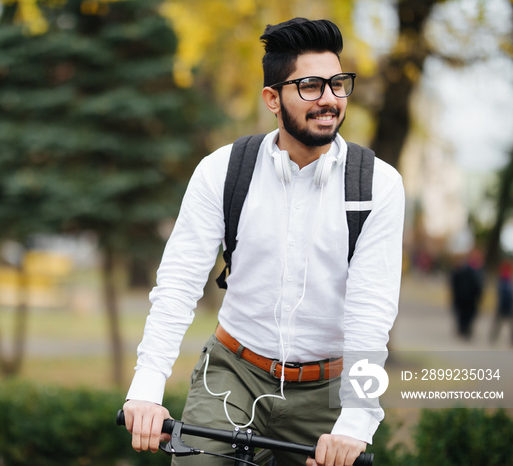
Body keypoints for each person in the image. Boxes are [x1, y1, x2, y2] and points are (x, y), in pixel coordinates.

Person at [122, 18, 404, 466]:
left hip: (327, 389)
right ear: (272, 98)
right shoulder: (222, 171)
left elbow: (372, 310)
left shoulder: (378, 185)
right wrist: (146, 389)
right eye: (310, 86)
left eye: (337, 84)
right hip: (234, 373)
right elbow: (178, 285)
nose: (329, 98)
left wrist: (355, 420)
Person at [449, 251, 483, 340]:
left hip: (468, 298)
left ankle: (464, 330)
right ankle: (463, 329)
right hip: (464, 298)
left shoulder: (477, 271)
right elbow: (454, 283)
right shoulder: (467, 271)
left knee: (466, 315)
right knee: (464, 315)